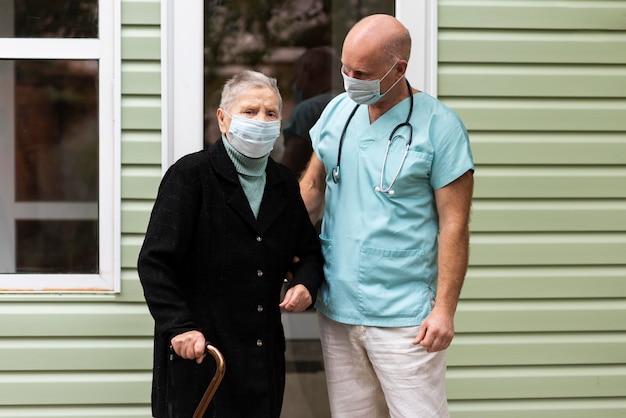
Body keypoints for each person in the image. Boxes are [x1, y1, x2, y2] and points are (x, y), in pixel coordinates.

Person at [299, 14, 474, 417]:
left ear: (399, 69)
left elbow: (455, 225)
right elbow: (311, 189)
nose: (349, 78)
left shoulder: (441, 128)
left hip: (405, 316)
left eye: (361, 72)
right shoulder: (337, 112)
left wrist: (445, 309)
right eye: (345, 68)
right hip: (338, 306)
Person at [138, 70, 324, 418]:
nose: (261, 120)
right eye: (250, 111)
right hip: (201, 353)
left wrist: (305, 284)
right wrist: (178, 326)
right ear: (223, 119)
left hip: (262, 355)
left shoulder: (283, 183)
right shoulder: (190, 176)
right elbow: (155, 262)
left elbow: (309, 253)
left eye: (270, 114)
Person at [281, 46, 341, 178]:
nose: (295, 84)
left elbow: (288, 170)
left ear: (306, 70)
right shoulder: (351, 104)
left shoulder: (307, 110)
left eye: (295, 77)